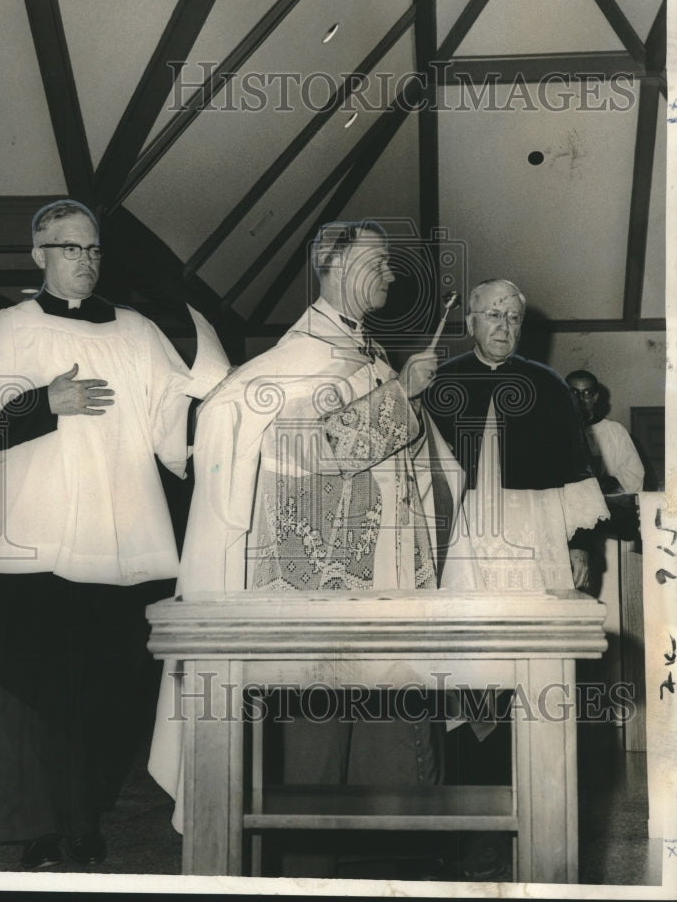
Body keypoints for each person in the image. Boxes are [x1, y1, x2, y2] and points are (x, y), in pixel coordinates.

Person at [149, 220, 480, 871]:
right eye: (379, 261)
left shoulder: (370, 360)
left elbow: (428, 473)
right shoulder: (284, 369)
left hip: (386, 601)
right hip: (313, 612)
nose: (392, 275)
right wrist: (400, 401)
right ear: (331, 264)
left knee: (388, 773)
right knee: (313, 770)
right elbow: (304, 455)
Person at [0, 199, 230, 869]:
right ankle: (43, 832)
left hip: (123, 546)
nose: (86, 261)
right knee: (37, 701)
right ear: (39, 256)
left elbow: (171, 434)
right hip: (34, 549)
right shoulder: (8, 329)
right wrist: (43, 404)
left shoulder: (136, 332)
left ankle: (85, 818)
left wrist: (214, 399)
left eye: (93, 250)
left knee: (112, 696)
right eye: (71, 249)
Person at [424, 279, 609, 592]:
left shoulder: (549, 385)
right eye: (494, 315)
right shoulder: (442, 381)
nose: (503, 327)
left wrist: (580, 546)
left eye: (513, 318)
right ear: (471, 323)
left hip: (536, 528)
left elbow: (576, 469)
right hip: (465, 533)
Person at [565, 370, 644, 495]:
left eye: (586, 393)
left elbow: (634, 474)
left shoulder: (615, 431)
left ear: (595, 397)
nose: (580, 399)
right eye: (573, 392)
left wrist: (606, 485)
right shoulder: (554, 432)